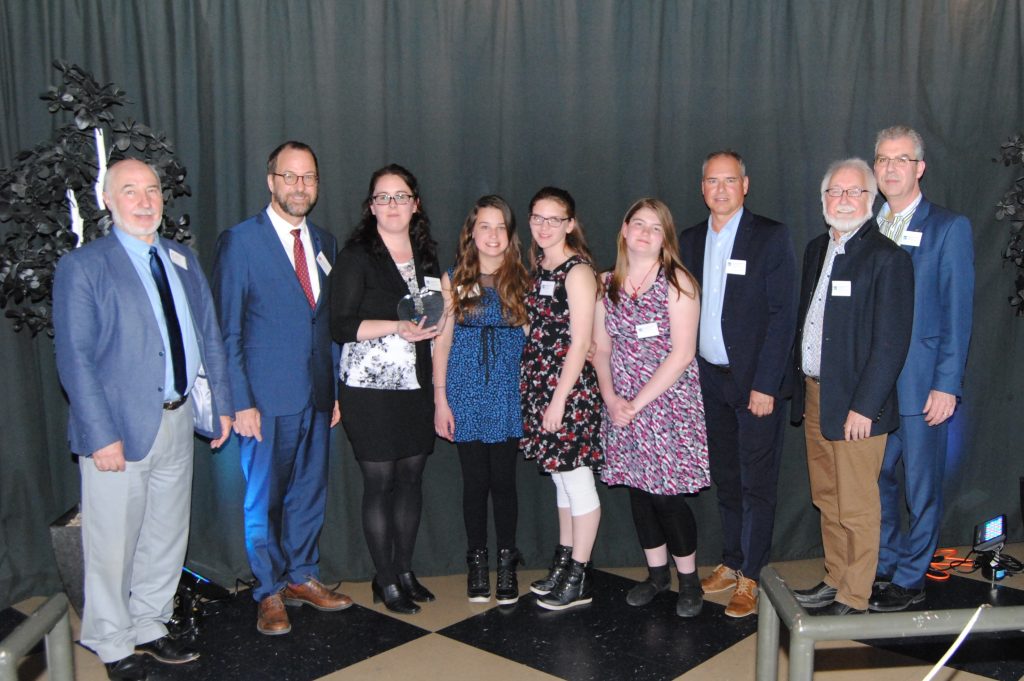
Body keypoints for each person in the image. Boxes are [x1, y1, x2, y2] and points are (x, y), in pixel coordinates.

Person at [53, 159, 232, 680]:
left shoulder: (181, 258)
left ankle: (150, 624)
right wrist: (99, 434)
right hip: (117, 430)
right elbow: (75, 358)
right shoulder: (84, 266)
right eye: (129, 191)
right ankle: (112, 642)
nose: (144, 200)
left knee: (166, 534)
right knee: (111, 544)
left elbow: (209, 335)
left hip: (177, 419)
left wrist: (220, 405)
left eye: (152, 190)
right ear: (108, 200)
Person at [213, 141, 349, 636]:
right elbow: (227, 331)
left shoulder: (325, 243)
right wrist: (240, 401)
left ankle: (301, 576)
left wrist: (334, 389)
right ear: (271, 180)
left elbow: (325, 324)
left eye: (308, 177)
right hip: (264, 401)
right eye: (290, 176)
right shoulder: (240, 242)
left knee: (309, 493)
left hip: (316, 395)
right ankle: (268, 590)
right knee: (264, 499)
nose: (299, 186)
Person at [791, 158, 914, 616]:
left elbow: (891, 344)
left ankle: (854, 594)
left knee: (858, 503)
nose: (843, 200)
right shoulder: (815, 250)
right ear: (823, 199)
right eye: (834, 192)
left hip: (858, 404)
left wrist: (866, 406)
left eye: (854, 191)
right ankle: (835, 577)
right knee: (827, 497)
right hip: (816, 394)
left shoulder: (888, 258)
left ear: (870, 199)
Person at [678, 151, 798, 618]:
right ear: (702, 188)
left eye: (730, 180)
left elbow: (783, 316)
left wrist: (767, 384)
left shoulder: (770, 236)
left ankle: (753, 574)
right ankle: (731, 560)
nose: (721, 189)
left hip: (755, 385)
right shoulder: (689, 240)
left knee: (757, 483)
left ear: (745, 185)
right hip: (708, 379)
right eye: (713, 181)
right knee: (726, 477)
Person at [869, 126, 975, 612]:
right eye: (882, 159)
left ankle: (911, 579)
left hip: (921, 384)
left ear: (920, 168)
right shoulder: (866, 226)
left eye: (901, 160)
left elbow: (958, 312)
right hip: (875, 387)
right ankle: (886, 563)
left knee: (921, 486)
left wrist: (947, 384)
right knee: (877, 480)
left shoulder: (949, 227)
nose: (891, 168)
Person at [330, 163, 441, 615]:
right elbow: (340, 325)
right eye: (383, 197)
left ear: (416, 204)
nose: (392, 204)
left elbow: (435, 314)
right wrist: (396, 326)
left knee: (412, 479)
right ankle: (385, 578)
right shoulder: (356, 256)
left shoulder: (426, 257)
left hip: (416, 385)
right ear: (371, 206)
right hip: (370, 389)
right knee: (380, 482)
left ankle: (405, 569)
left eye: (401, 196)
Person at [593, 198, 709, 618]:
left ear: (665, 238)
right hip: (621, 402)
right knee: (639, 493)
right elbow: (600, 348)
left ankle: (689, 581)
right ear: (624, 230)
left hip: (666, 404)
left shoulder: (678, 282)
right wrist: (611, 399)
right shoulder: (605, 283)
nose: (644, 233)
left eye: (655, 227)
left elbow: (682, 354)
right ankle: (657, 576)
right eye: (638, 224)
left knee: (666, 497)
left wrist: (636, 404)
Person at [433, 195, 530, 604]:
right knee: (475, 482)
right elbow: (442, 342)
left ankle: (507, 561)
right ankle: (477, 560)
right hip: (465, 391)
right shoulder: (452, 278)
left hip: (508, 391)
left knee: (504, 481)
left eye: (500, 227)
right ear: (471, 232)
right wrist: (440, 399)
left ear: (510, 235)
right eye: (484, 226)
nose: (493, 235)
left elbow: (535, 337)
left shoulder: (524, 279)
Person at [519, 186, 603, 610]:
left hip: (568, 390)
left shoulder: (577, 271)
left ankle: (580, 576)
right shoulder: (539, 265)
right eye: (538, 217)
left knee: (578, 479)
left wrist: (558, 400)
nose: (544, 226)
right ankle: (565, 560)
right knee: (560, 478)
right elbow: (535, 326)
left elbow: (580, 342)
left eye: (554, 219)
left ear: (570, 224)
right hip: (540, 384)